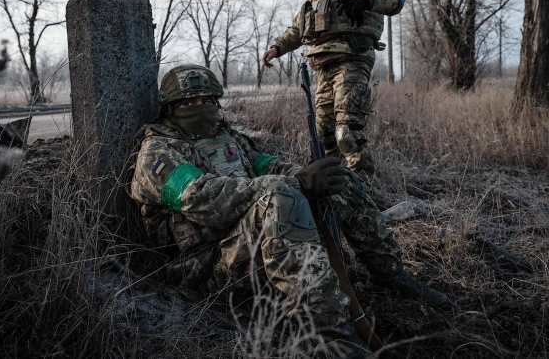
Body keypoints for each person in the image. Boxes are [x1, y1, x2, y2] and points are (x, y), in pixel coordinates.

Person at [130, 65, 449, 356]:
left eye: (206, 100)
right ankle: (331, 334)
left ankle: (389, 272)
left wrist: (313, 174)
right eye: (188, 103)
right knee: (282, 196)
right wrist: (297, 182)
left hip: (254, 248)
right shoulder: (158, 153)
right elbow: (201, 198)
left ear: (217, 101)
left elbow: (267, 165)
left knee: (340, 179)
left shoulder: (229, 139)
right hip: (206, 267)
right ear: (170, 109)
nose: (199, 107)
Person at [262, 0, 405, 174]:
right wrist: (277, 47)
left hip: (352, 58)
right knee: (325, 136)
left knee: (346, 133)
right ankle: (336, 192)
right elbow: (298, 27)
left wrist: (366, 0)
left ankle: (363, 190)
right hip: (323, 65)